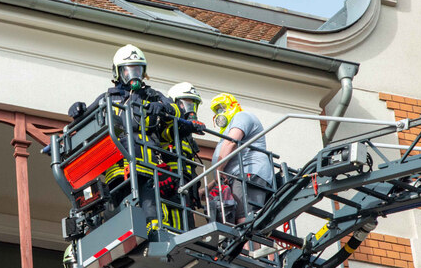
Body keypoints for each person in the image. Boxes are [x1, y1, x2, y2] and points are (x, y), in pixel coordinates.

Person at [67, 44, 178, 236]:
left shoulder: (152, 96)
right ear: (118, 72)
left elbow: (175, 110)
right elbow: (84, 120)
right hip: (116, 165)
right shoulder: (108, 98)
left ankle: (152, 230)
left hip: (147, 161)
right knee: (118, 204)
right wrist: (76, 111)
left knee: (149, 202)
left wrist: (162, 107)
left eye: (137, 69)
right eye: (128, 70)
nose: (133, 75)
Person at [209, 93, 275, 224]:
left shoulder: (242, 116)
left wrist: (219, 169)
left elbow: (231, 142)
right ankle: (243, 244)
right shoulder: (228, 129)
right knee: (236, 219)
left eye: (222, 107)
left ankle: (248, 244)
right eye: (217, 110)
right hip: (237, 175)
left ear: (232, 105)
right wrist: (210, 186)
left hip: (247, 172)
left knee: (244, 218)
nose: (220, 112)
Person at [161, 82, 207, 226]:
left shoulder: (189, 136)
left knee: (188, 218)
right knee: (177, 218)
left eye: (193, 104)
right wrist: (187, 127)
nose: (191, 109)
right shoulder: (166, 124)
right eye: (187, 103)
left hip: (187, 181)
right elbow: (166, 136)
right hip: (173, 181)